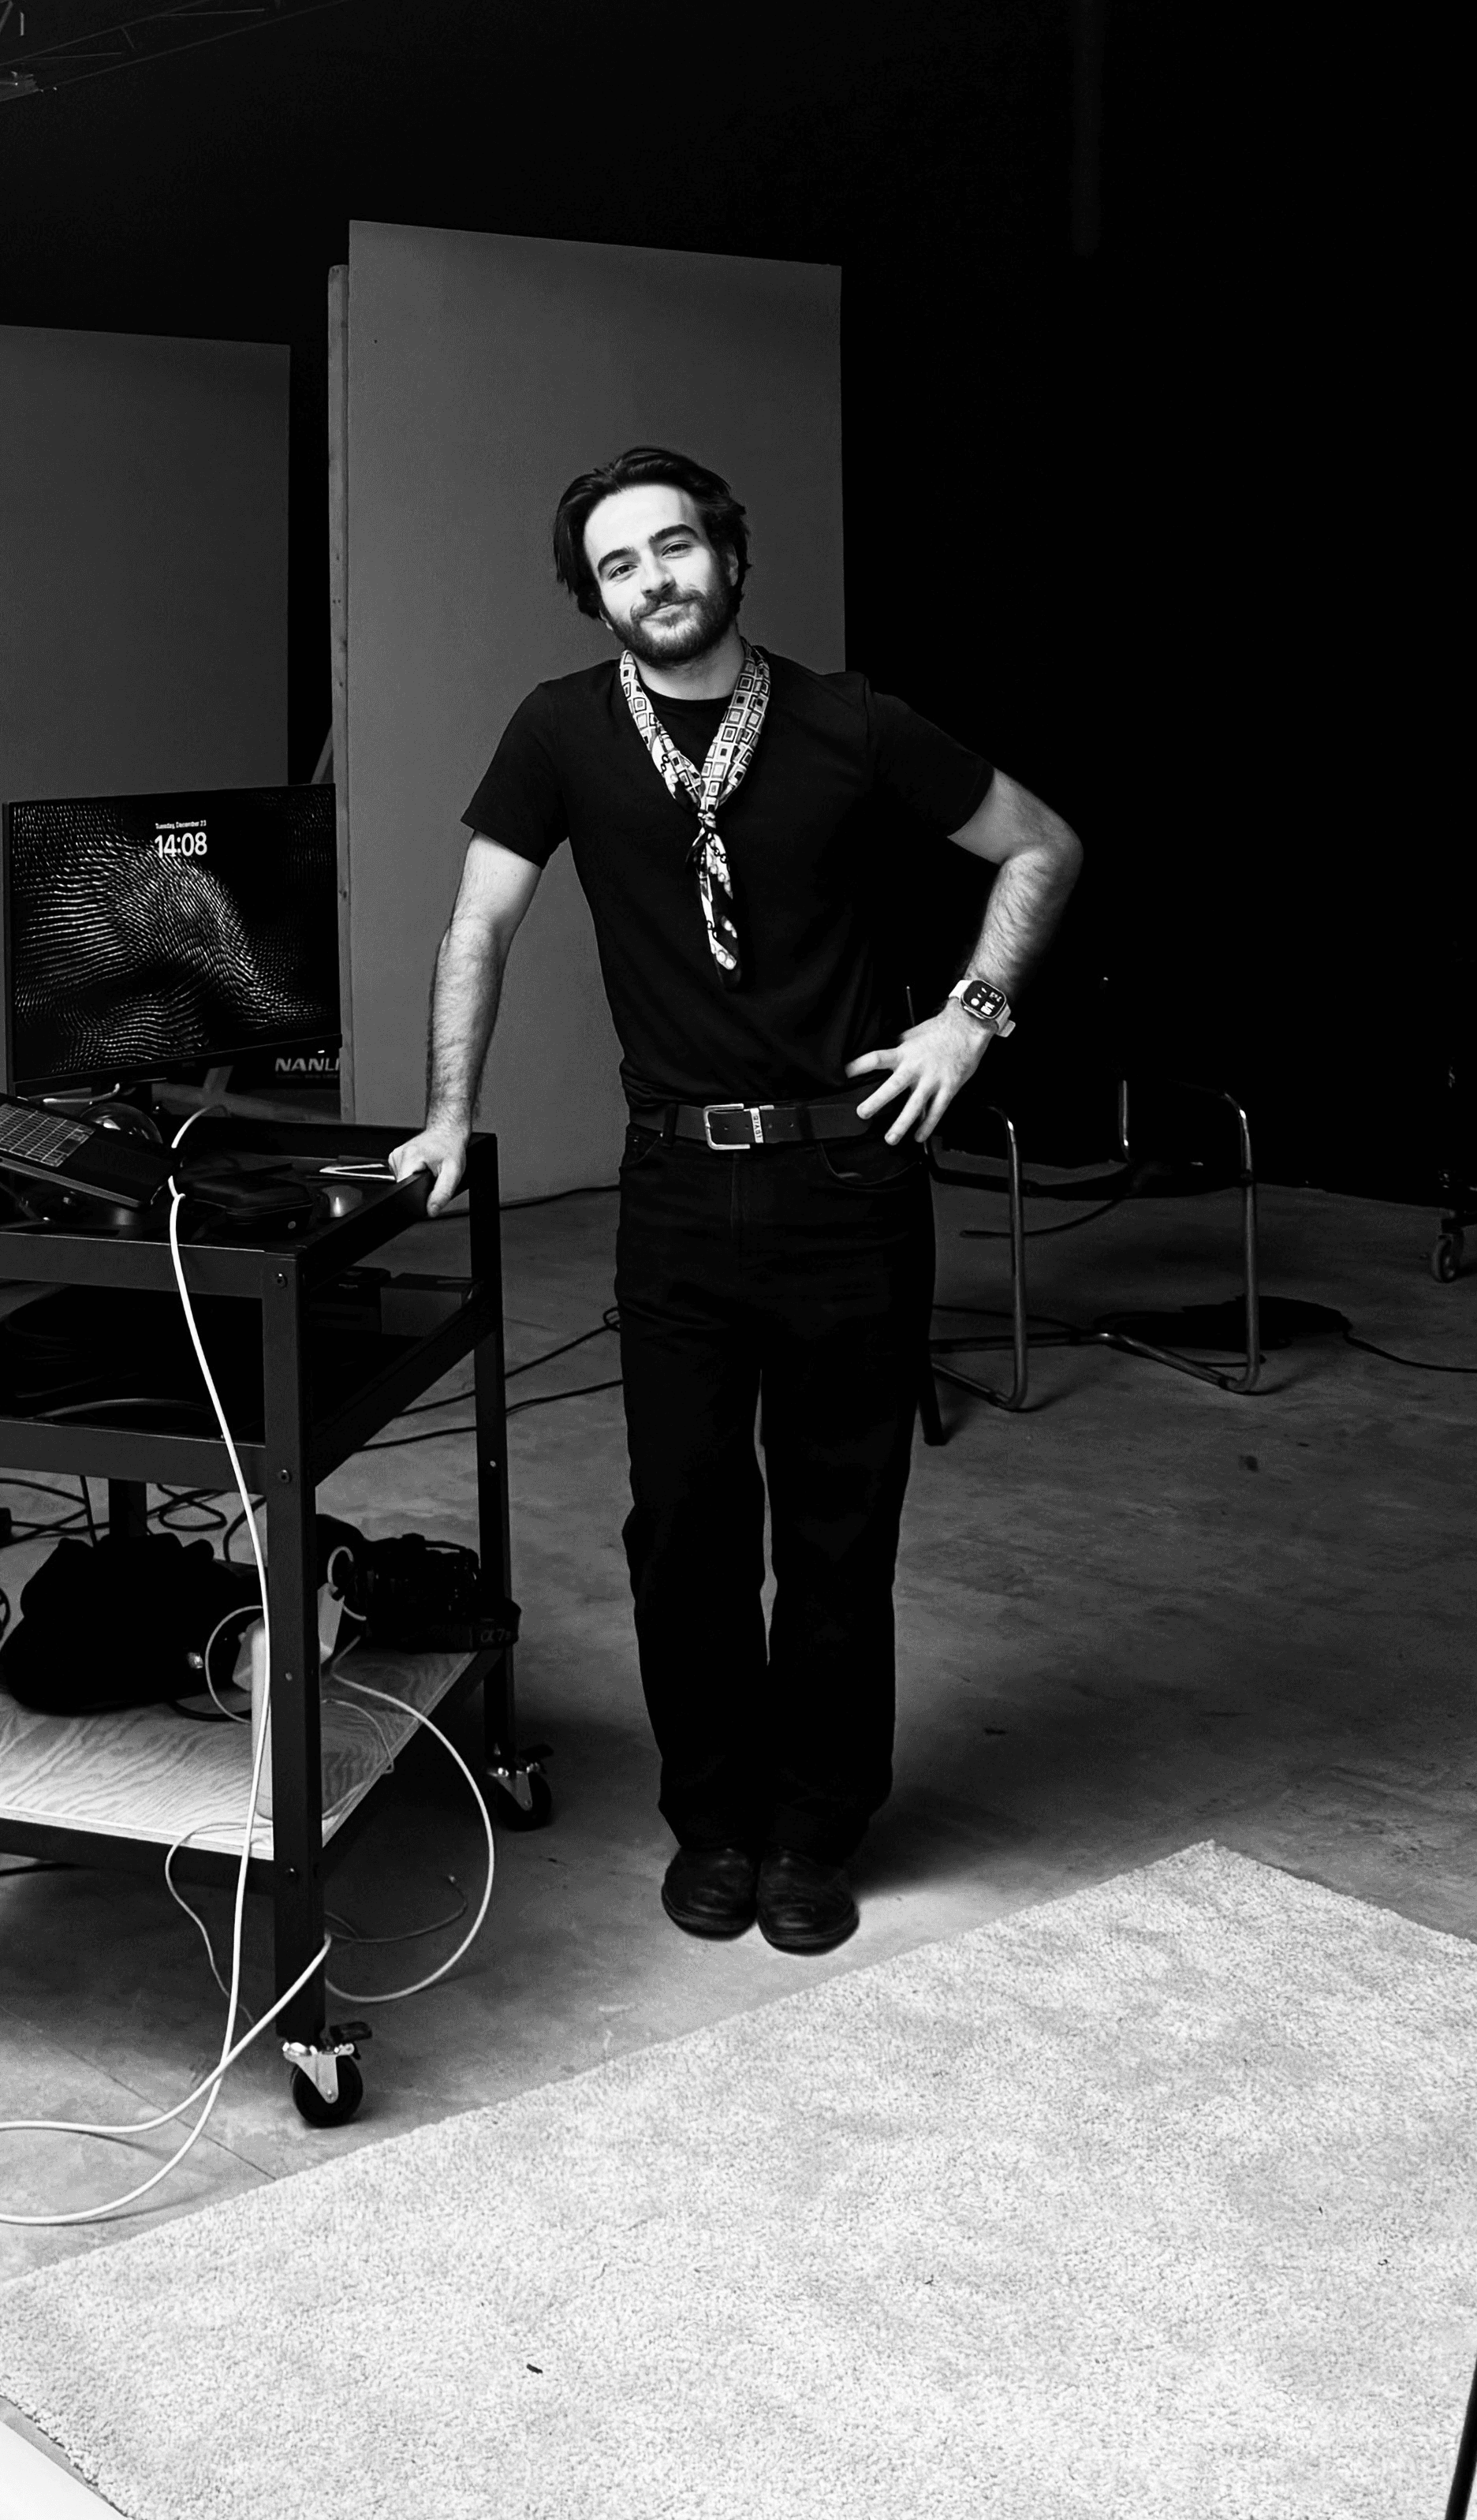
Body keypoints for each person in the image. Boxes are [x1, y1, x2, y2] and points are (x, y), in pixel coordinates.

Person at [390, 446, 1082, 1956]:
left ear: (730, 554)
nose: (654, 579)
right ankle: (715, 1820)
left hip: (849, 1179)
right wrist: (448, 1111)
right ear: (594, 599)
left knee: (839, 1532)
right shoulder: (560, 731)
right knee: (686, 1529)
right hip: (678, 1190)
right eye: (619, 564)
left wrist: (970, 1020)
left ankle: (816, 1832)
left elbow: (1042, 846)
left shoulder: (852, 721)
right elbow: (478, 925)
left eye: (675, 545)